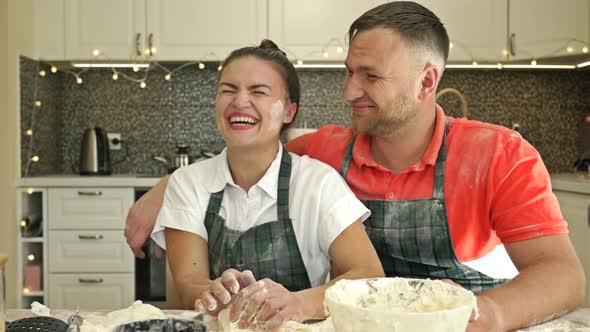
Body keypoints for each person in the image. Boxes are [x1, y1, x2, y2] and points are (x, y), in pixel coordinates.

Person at [127, 2, 585, 331]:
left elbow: (561, 276)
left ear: (427, 80)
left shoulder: (499, 156)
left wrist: (482, 318)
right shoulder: (326, 151)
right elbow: (245, 153)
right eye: (349, 71)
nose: (349, 90)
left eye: (371, 75)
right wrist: (162, 190)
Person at [149, 39, 384, 330]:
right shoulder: (187, 183)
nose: (239, 101)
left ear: (288, 112)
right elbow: (187, 282)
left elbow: (369, 274)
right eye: (228, 90)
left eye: (258, 91)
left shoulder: (317, 183)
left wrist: (299, 303)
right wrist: (212, 293)